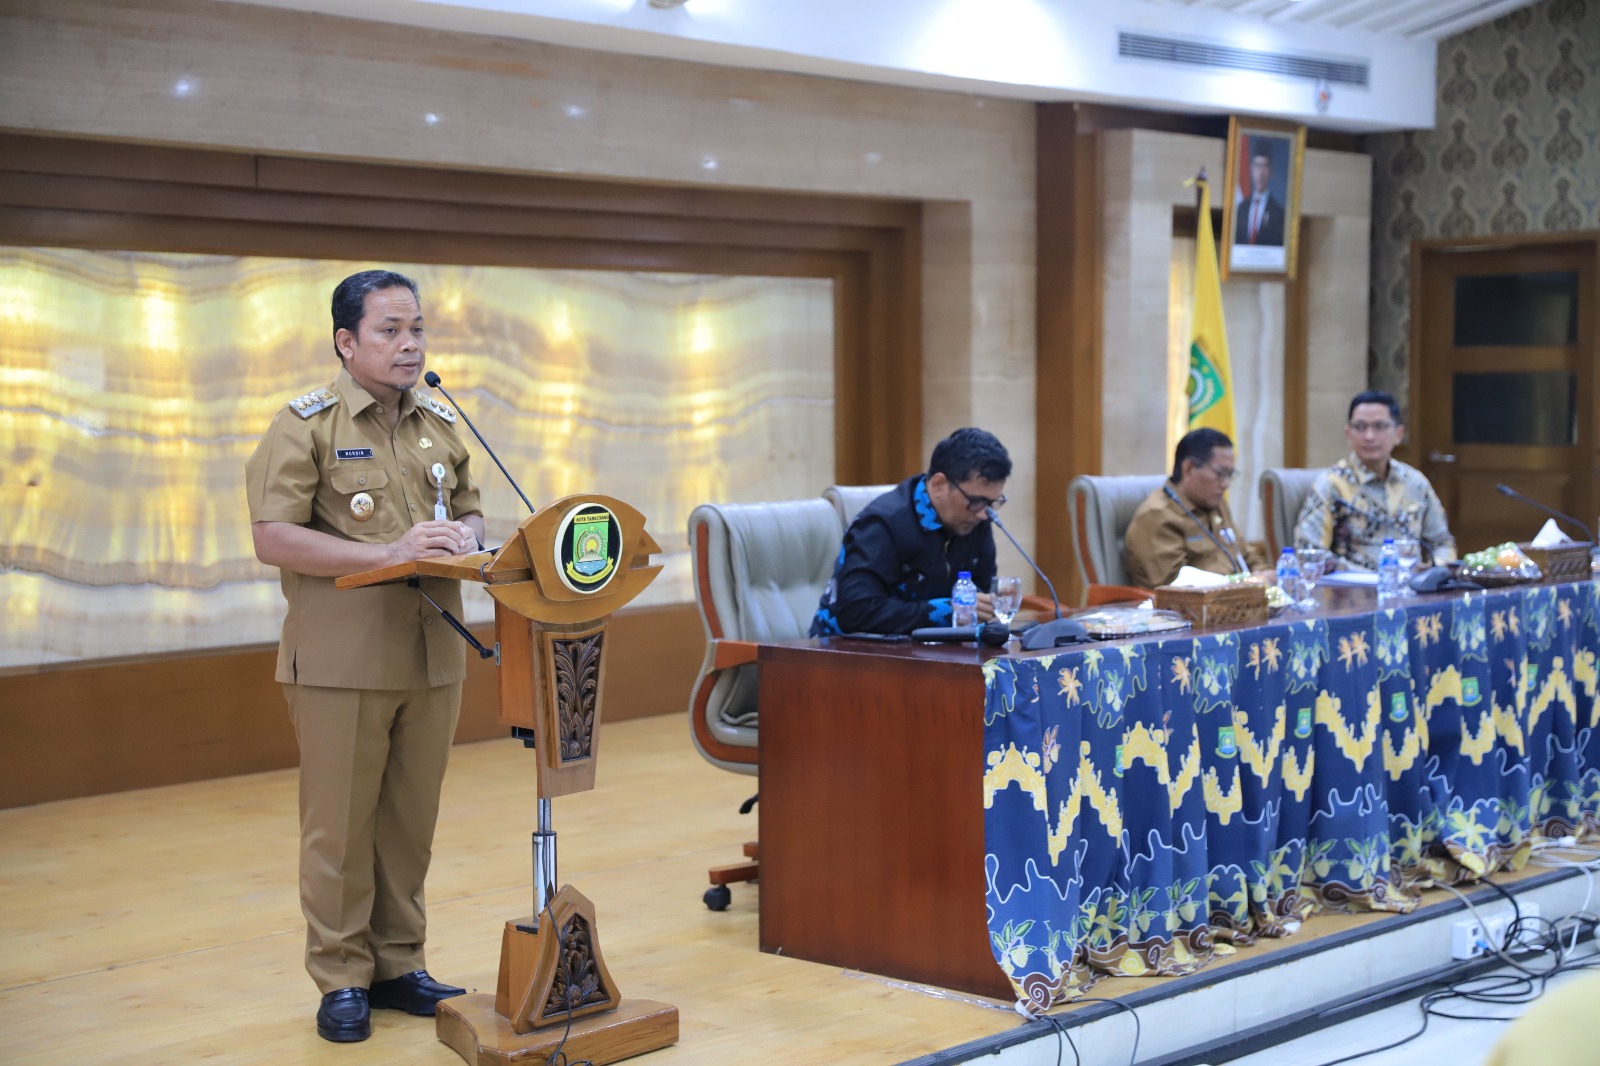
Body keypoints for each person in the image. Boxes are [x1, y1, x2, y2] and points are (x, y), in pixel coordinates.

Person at [245, 270, 485, 1043]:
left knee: (409, 824)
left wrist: (465, 536)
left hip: (432, 654)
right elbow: (272, 536)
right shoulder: (305, 426)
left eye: (417, 329)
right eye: (390, 330)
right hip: (343, 662)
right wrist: (389, 551)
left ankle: (398, 964)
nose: (410, 344)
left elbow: (473, 510)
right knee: (340, 830)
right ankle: (342, 976)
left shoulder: (439, 421)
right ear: (346, 342)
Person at [810, 427, 1010, 636]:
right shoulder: (883, 523)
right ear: (939, 484)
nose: (983, 514)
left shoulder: (975, 519)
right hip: (842, 649)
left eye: (992, 503)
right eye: (976, 501)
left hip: (930, 648)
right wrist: (946, 611)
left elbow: (981, 590)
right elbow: (855, 611)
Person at [1294, 390, 1455, 571]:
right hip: (1352, 586)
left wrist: (1434, 569)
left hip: (1411, 585)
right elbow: (1309, 553)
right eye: (1360, 427)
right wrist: (1375, 576)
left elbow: (1443, 543)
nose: (1369, 436)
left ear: (1398, 433)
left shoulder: (1415, 483)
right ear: (1348, 434)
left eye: (1379, 426)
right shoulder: (1332, 484)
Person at [1123, 428, 1267, 589]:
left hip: (1237, 598)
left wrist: (1264, 576)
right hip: (1188, 604)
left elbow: (1246, 555)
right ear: (1189, 468)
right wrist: (1245, 581)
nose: (1226, 484)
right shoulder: (1157, 516)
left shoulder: (1216, 505)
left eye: (1230, 474)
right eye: (1220, 473)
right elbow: (1177, 588)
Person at [1233, 146, 1285, 247]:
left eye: (1264, 166)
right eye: (1257, 166)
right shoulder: (1241, 208)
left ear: (1270, 171)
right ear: (1252, 169)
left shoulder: (1278, 212)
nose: (1261, 173)